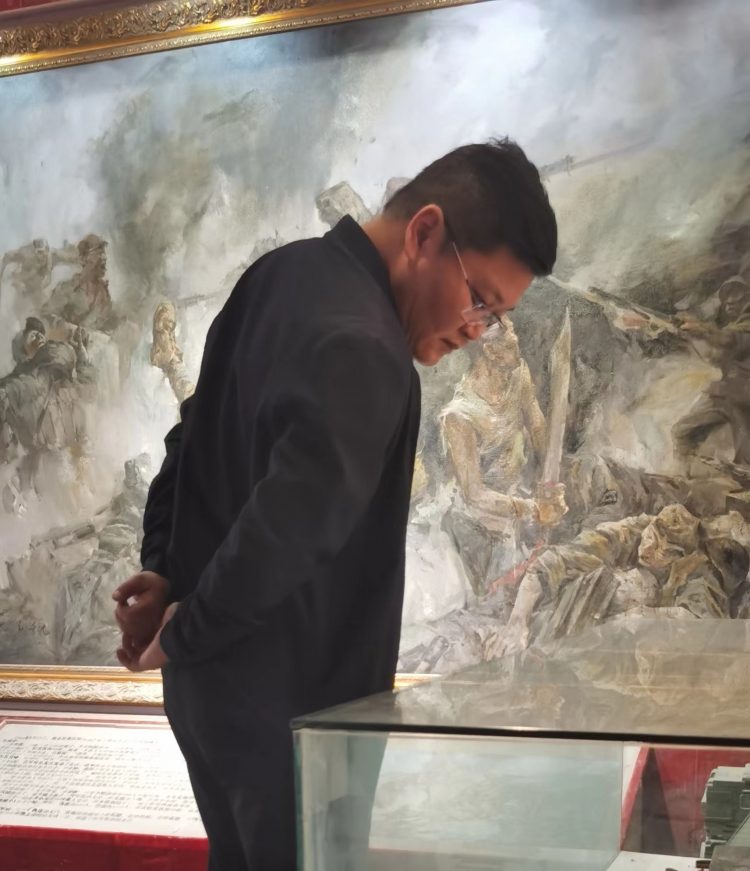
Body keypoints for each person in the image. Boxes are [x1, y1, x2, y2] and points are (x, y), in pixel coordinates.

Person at [112, 138, 558, 871]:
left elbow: (190, 441)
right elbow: (287, 530)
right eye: (481, 299)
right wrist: (185, 626)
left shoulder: (275, 275)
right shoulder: (369, 346)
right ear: (425, 232)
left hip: (210, 705)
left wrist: (164, 572)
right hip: (299, 732)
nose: (477, 331)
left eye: (495, 317)